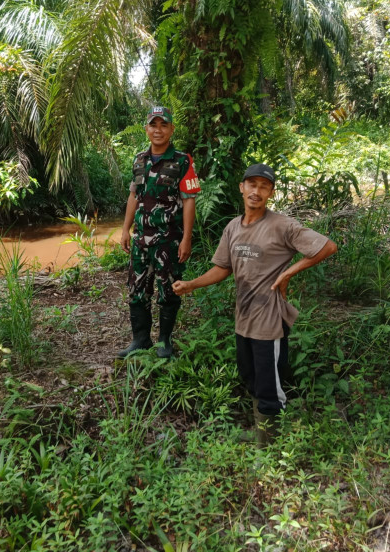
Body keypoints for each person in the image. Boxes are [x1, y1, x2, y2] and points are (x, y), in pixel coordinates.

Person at [172, 163, 337, 444]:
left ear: (270, 192)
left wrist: (288, 272)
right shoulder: (233, 227)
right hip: (244, 317)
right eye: (252, 184)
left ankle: (270, 448)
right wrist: (191, 284)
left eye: (264, 186)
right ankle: (262, 433)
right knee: (249, 376)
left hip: (269, 320)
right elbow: (223, 268)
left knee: (269, 386)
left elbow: (327, 246)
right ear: (242, 187)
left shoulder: (282, 225)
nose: (256, 191)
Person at [118, 106, 201, 359]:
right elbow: (134, 195)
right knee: (137, 288)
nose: (158, 130)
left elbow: (189, 200)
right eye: (153, 125)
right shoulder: (139, 160)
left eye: (163, 125)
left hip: (168, 240)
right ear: (147, 129)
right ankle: (140, 339)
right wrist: (125, 229)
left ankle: (165, 340)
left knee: (168, 290)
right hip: (140, 239)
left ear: (171, 129)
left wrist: (186, 238)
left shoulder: (183, 161)